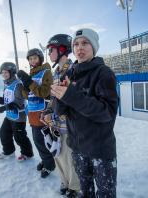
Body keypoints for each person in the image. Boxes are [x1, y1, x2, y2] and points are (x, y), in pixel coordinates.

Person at [51, 28, 119, 197]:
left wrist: (72, 96)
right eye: (76, 44)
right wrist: (61, 97)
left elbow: (108, 112)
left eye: (85, 43)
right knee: (85, 192)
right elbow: (59, 110)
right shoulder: (69, 73)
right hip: (77, 147)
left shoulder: (103, 73)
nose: (79, 48)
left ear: (93, 47)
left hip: (100, 150)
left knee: (105, 194)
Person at [40, 34, 80, 198]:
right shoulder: (56, 72)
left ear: (62, 49)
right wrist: (46, 112)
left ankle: (75, 187)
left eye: (51, 49)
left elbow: (70, 104)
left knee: (69, 159)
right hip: (56, 125)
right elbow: (54, 99)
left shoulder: (73, 71)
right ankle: (65, 182)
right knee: (58, 156)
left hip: (68, 125)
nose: (48, 53)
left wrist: (52, 118)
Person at [17, 48, 55, 178]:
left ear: (40, 59)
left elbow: (45, 92)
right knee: (38, 140)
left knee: (42, 141)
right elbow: (28, 96)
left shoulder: (46, 72)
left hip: (42, 113)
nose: (32, 61)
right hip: (32, 113)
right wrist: (25, 87)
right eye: (30, 59)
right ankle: (46, 160)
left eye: (35, 58)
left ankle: (50, 164)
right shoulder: (31, 75)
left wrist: (29, 82)